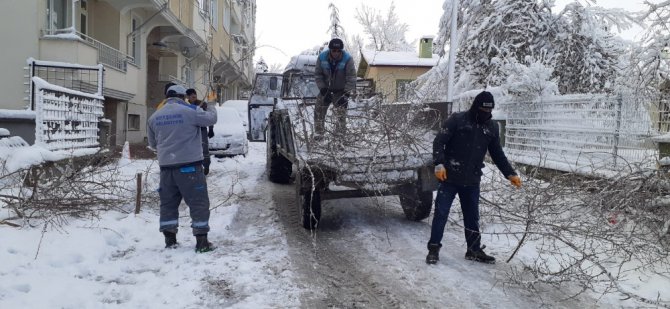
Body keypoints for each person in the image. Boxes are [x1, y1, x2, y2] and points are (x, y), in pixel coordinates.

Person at [426, 91, 522, 265]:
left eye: (489, 111)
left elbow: (497, 154)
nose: (486, 114)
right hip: (449, 177)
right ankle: (433, 249)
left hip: (472, 179)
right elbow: (439, 142)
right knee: (441, 214)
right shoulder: (457, 120)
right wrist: (439, 164)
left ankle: (473, 250)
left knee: (472, 216)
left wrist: (510, 173)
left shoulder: (492, 127)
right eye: (483, 110)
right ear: (475, 107)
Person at [147, 84, 218, 253]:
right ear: (182, 97)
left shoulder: (154, 117)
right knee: (198, 202)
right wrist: (212, 104)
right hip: (189, 168)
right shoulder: (190, 112)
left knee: (168, 204)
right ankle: (202, 242)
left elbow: (152, 144)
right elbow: (211, 119)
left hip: (166, 169)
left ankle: (170, 241)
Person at [313, 38, 357, 139]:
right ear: (330, 50)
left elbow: (351, 78)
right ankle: (319, 135)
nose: (336, 53)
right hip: (326, 90)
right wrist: (323, 89)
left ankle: (340, 137)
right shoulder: (322, 57)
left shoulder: (348, 59)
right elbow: (318, 75)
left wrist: (346, 94)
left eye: (338, 51)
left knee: (341, 115)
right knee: (319, 110)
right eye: (334, 50)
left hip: (341, 91)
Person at [186, 88, 214, 175]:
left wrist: (211, 129)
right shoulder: (185, 105)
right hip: (190, 131)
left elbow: (208, 117)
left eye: (195, 96)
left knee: (204, 148)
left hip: (202, 129)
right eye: (192, 96)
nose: (194, 98)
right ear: (188, 97)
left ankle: (206, 165)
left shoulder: (202, 104)